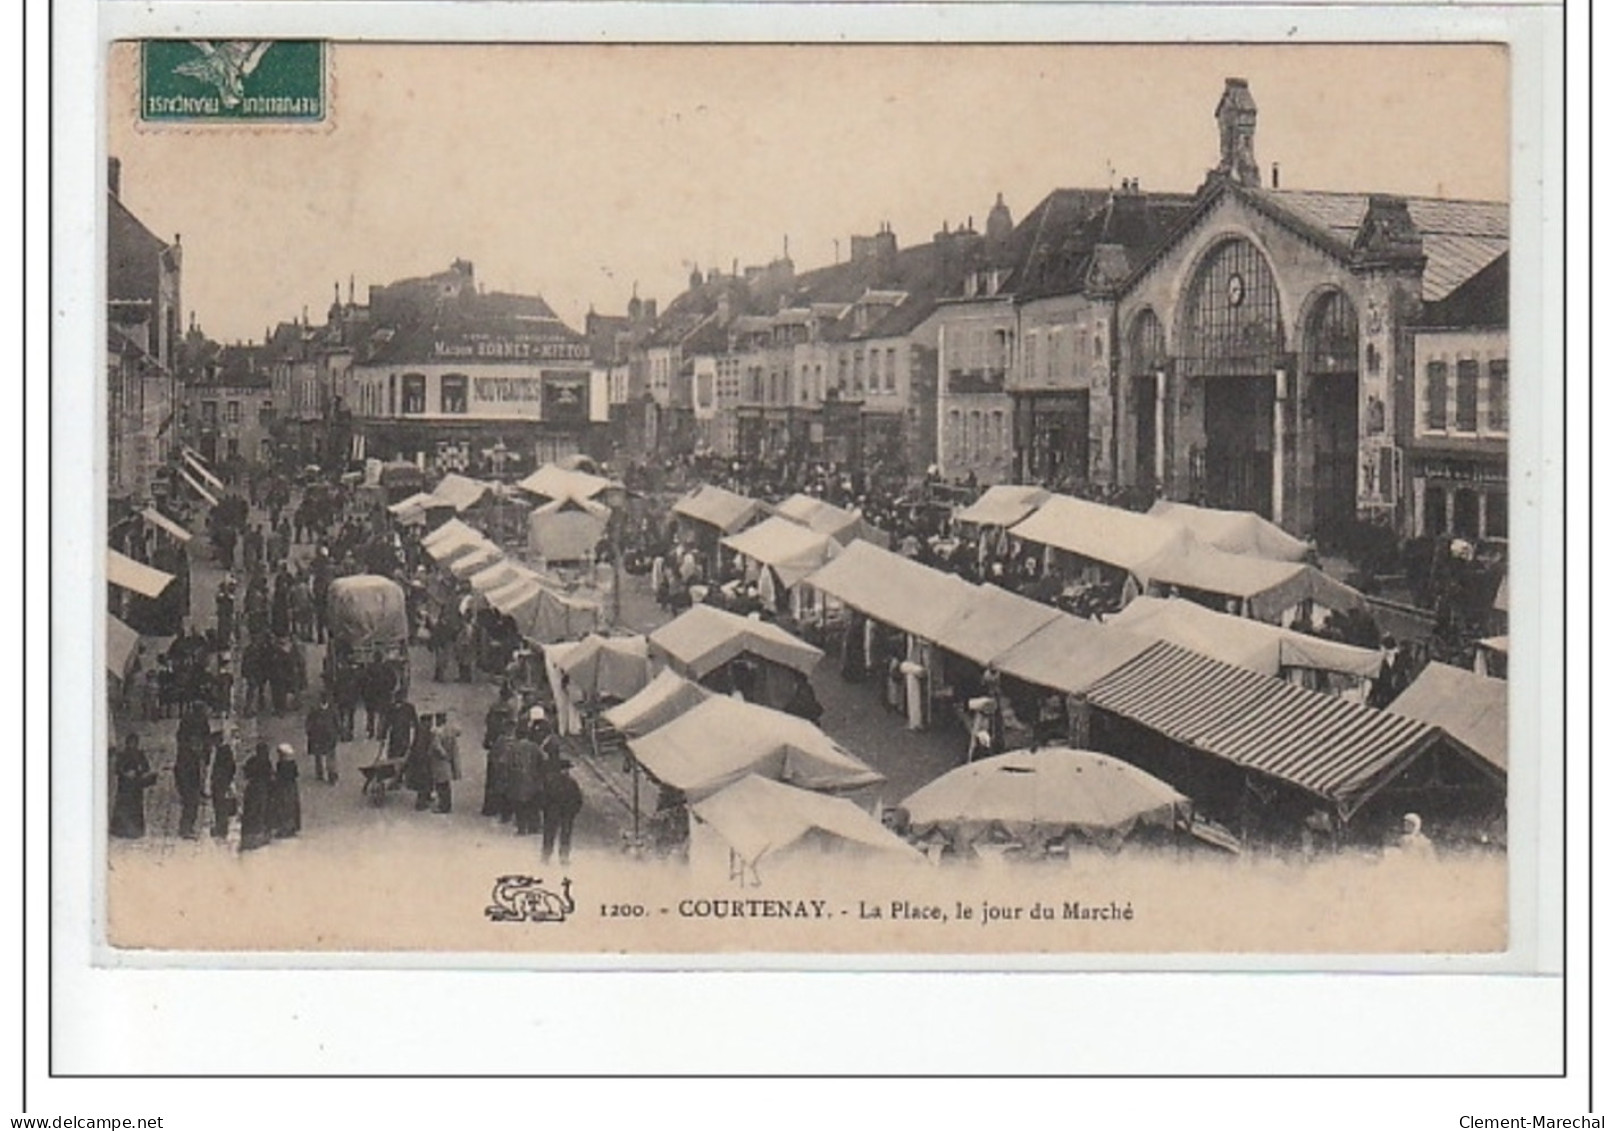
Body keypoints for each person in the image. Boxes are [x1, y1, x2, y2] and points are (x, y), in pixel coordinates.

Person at [109, 734, 155, 839]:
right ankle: (121, 830)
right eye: (131, 743)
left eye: (134, 743)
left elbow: (146, 767)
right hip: (125, 786)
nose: (132, 745)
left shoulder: (140, 754)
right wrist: (126, 773)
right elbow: (118, 769)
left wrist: (141, 772)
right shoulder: (123, 755)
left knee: (135, 808)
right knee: (124, 807)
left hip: (136, 786)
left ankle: (136, 831)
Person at [540, 758, 584, 866]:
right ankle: (563, 856)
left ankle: (546, 856)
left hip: (553, 812)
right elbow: (578, 799)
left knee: (550, 834)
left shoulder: (550, 781)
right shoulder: (572, 783)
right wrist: (573, 811)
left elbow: (544, 798)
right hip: (566, 813)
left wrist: (545, 810)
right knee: (565, 835)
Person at [239, 742, 275, 852]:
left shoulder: (252, 761)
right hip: (262, 790)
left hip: (253, 789)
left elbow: (245, 772)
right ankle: (259, 834)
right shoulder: (266, 762)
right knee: (261, 811)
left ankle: (250, 835)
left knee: (252, 811)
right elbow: (270, 776)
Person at [172, 728, 207, 839]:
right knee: (189, 807)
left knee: (192, 807)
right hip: (188, 786)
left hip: (192, 785)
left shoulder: (193, 755)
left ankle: (188, 827)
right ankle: (185, 829)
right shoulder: (186, 757)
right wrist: (183, 787)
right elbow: (180, 772)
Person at [305, 692, 341, 785]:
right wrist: (309, 732)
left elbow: (337, 722)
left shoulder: (332, 709)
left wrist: (337, 732)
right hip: (318, 736)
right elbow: (309, 721)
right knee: (319, 755)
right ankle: (320, 772)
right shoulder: (315, 709)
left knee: (330, 756)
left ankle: (331, 775)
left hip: (329, 736)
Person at [270, 743, 302, 839]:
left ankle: (284, 828)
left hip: (284, 788)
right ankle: (291, 827)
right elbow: (296, 775)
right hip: (291, 787)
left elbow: (280, 777)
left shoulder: (281, 764)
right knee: (292, 807)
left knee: (284, 807)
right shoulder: (292, 764)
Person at [431, 712, 461, 814]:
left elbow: (436, 746)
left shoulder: (437, 731)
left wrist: (444, 754)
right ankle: (447, 805)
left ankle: (443, 807)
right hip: (448, 761)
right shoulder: (450, 730)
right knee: (446, 784)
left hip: (440, 761)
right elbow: (459, 732)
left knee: (440, 784)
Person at [405, 711, 436, 811]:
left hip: (421, 759)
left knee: (427, 780)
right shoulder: (424, 730)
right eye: (430, 721)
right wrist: (425, 758)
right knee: (423, 781)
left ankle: (427, 797)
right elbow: (420, 747)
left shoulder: (421, 729)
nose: (431, 723)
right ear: (425, 721)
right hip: (422, 760)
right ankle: (420, 804)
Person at [208, 739, 237, 841]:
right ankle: (221, 828)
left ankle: (221, 830)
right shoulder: (226, 753)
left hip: (220, 785)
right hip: (222, 784)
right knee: (220, 808)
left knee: (220, 808)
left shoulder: (221, 754)